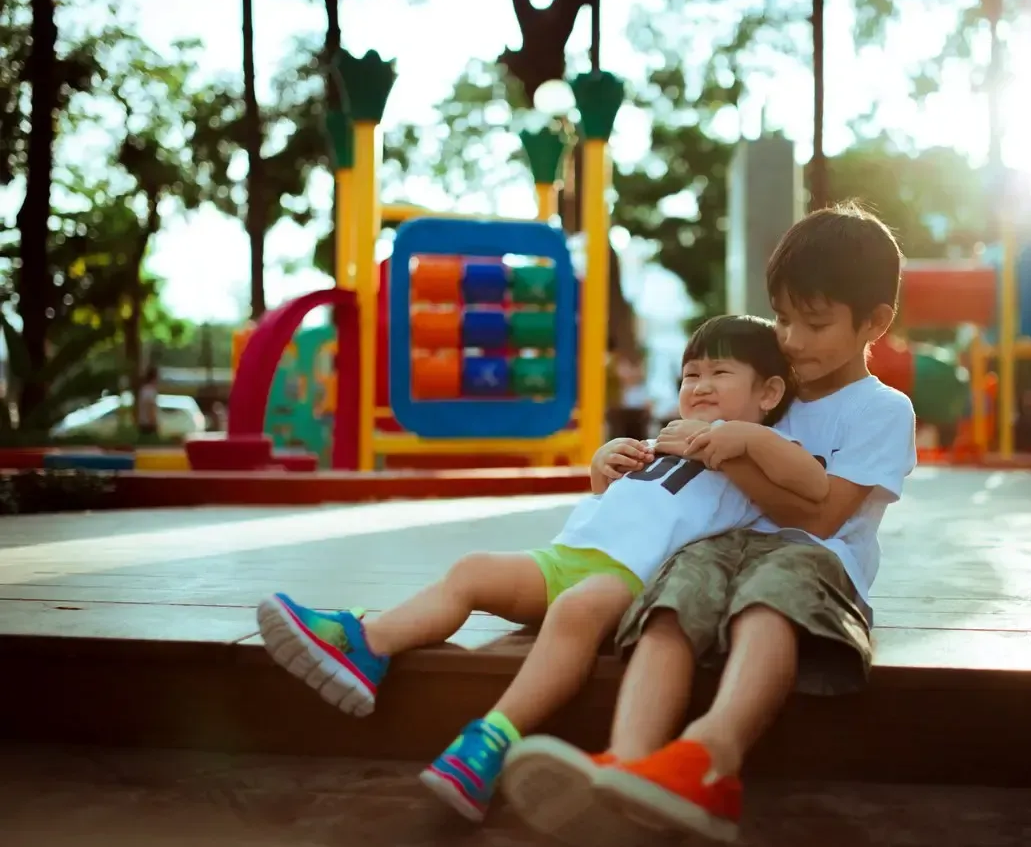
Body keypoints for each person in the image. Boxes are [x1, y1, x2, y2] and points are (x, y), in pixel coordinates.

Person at [252, 315, 829, 823]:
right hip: (565, 558)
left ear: (769, 392)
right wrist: (606, 465)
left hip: (630, 579)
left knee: (576, 611)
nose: (700, 386)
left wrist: (736, 435)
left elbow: (811, 481)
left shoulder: (757, 453)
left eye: (719, 374)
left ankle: (490, 742)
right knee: (473, 569)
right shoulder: (667, 438)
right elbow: (622, 498)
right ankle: (367, 644)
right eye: (690, 375)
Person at [501, 203, 918, 844]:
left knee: (769, 600)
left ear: (876, 323)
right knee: (670, 598)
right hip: (721, 545)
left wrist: (730, 444)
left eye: (815, 322)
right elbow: (690, 472)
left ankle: (709, 757)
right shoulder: (769, 384)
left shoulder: (882, 410)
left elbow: (826, 515)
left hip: (817, 560)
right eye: (782, 318)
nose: (793, 339)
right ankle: (629, 763)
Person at [136, 365, 160, 438]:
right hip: (148, 424)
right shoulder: (150, 390)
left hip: (142, 423)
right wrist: (154, 422)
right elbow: (150, 407)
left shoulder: (143, 390)